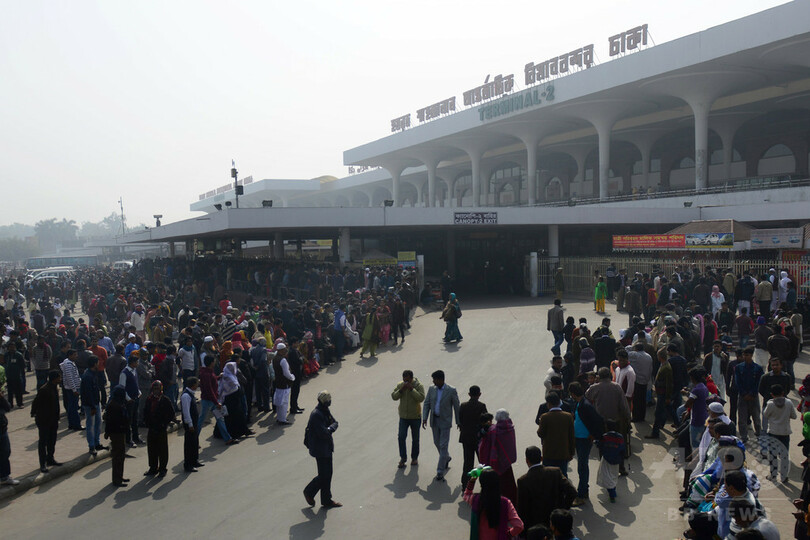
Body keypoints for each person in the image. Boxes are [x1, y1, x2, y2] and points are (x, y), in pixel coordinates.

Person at [516, 445, 577, 529]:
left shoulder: (523, 481)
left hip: (536, 526)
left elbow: (522, 509)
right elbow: (572, 492)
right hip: (555, 523)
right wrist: (562, 509)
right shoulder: (556, 472)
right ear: (541, 458)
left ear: (527, 460)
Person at [303, 390, 342, 508]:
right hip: (320, 449)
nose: (330, 402)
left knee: (327, 474)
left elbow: (334, 422)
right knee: (324, 475)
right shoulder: (316, 414)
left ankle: (326, 499)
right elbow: (324, 433)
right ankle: (309, 491)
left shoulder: (325, 411)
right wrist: (330, 429)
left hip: (326, 447)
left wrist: (330, 428)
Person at [568, 381, 604, 505]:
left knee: (582, 467)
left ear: (573, 393)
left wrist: (593, 435)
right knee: (582, 466)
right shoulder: (580, 403)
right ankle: (584, 490)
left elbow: (598, 420)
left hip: (584, 440)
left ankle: (581, 494)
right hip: (579, 438)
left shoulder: (586, 405)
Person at [464, 467, 524, 539]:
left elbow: (466, 495)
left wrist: (472, 480)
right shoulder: (505, 503)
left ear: (481, 484)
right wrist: (508, 534)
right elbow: (519, 526)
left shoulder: (475, 500)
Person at [422, 369, 460, 482]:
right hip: (434, 420)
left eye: (434, 379)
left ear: (440, 379)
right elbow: (427, 403)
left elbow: (456, 407)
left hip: (445, 422)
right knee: (437, 442)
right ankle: (446, 458)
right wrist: (425, 417)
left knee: (443, 445)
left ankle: (440, 471)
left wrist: (458, 422)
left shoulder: (451, 390)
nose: (433, 382)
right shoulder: (431, 389)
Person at [478, 409, 518, 503]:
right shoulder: (510, 428)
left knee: (497, 485)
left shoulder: (493, 430)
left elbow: (484, 445)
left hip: (496, 463)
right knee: (509, 485)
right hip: (506, 462)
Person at [762, 383, 796, 483]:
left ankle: (773, 475)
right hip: (785, 432)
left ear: (772, 394)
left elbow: (765, 415)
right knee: (784, 455)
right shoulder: (789, 402)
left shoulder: (770, 404)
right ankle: (784, 477)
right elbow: (794, 416)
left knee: (773, 455)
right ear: (783, 393)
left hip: (773, 432)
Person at [391, 369, 425, 469]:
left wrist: (411, 389)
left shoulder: (418, 386)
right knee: (401, 437)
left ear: (411, 378)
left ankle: (414, 458)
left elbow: (421, 398)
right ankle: (403, 458)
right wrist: (401, 390)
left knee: (415, 439)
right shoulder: (400, 385)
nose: (405, 382)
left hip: (415, 417)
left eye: (407, 380)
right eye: (404, 380)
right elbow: (394, 396)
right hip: (403, 417)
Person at [31, 370, 63, 473]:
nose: (60, 379)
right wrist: (33, 413)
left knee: (52, 440)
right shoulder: (44, 390)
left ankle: (50, 458)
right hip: (44, 420)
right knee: (43, 442)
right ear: (54, 379)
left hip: (53, 419)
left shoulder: (54, 388)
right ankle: (43, 463)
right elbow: (36, 402)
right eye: (59, 377)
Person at [537, 392, 575, 477]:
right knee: (562, 476)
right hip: (563, 452)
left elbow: (540, 434)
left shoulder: (544, 417)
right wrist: (571, 452)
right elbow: (571, 436)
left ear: (548, 404)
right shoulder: (568, 416)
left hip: (549, 453)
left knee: (548, 476)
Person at [143, 380, 175, 477]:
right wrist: (148, 423)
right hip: (151, 428)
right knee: (151, 450)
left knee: (162, 450)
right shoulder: (149, 399)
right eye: (154, 389)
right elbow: (145, 412)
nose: (156, 391)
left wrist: (164, 424)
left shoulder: (165, 400)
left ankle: (162, 469)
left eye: (157, 389)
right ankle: (153, 468)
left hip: (161, 429)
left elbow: (171, 414)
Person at [459, 385, 488, 484]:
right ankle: (485, 483)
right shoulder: (481, 406)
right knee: (483, 462)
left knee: (468, 463)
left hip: (466, 437)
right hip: (478, 439)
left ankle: (465, 484)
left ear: (469, 394)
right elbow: (486, 422)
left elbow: (460, 420)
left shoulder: (463, 405)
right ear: (479, 394)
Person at [735, 347, 764, 442]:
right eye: (744, 355)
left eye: (747, 355)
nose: (745, 357)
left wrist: (752, 393)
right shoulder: (739, 367)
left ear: (751, 355)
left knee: (756, 417)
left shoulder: (758, 368)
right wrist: (744, 393)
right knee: (742, 418)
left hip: (753, 396)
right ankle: (744, 436)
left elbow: (759, 383)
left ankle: (758, 434)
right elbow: (737, 382)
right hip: (742, 396)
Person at [103, 385, 130, 487]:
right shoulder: (114, 406)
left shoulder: (118, 403)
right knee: (117, 456)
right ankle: (117, 480)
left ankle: (120, 476)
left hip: (120, 433)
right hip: (116, 433)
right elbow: (110, 421)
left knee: (121, 456)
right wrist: (107, 433)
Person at [596, 421, 626, 503]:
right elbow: (623, 449)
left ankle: (612, 494)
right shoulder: (620, 437)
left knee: (606, 476)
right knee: (613, 476)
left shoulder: (605, 436)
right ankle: (613, 489)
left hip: (606, 459)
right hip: (616, 460)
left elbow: (599, 445)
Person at [79, 356, 103, 456]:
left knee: (98, 423)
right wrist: (92, 406)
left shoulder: (93, 374)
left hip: (96, 403)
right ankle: (92, 446)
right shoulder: (87, 376)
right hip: (90, 405)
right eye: (97, 362)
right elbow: (87, 393)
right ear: (94, 364)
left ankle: (97, 442)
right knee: (91, 425)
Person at [119, 355, 143, 446]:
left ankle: (136, 437)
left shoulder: (134, 371)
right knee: (128, 420)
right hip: (129, 401)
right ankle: (128, 440)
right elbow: (122, 388)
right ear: (132, 363)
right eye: (136, 362)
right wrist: (128, 399)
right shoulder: (124, 373)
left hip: (136, 398)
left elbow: (136, 384)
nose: (137, 364)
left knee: (135, 419)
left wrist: (139, 392)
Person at [180, 377, 201, 473]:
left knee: (195, 442)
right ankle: (188, 464)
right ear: (193, 385)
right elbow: (186, 412)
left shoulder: (191, 394)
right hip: (190, 424)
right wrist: (190, 424)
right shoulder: (186, 396)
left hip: (194, 422)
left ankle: (194, 461)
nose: (198, 385)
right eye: (197, 383)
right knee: (189, 444)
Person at [272, 343, 295, 425]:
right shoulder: (283, 360)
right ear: (281, 350)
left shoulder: (275, 358)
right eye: (285, 349)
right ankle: (282, 419)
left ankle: (280, 417)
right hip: (284, 383)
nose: (286, 351)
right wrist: (292, 377)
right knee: (284, 402)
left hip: (278, 382)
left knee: (279, 401)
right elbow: (286, 373)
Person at [60, 349, 82, 431]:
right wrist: (74, 389)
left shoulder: (69, 363)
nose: (76, 356)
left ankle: (71, 424)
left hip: (72, 388)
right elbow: (70, 378)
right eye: (75, 355)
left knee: (71, 407)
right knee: (74, 408)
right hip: (72, 389)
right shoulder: (68, 365)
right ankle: (76, 424)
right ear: (70, 355)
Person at [0, 388, 19, 485]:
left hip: (2, 429)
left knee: (5, 452)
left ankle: (5, 476)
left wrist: (1, 397)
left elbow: (8, 407)